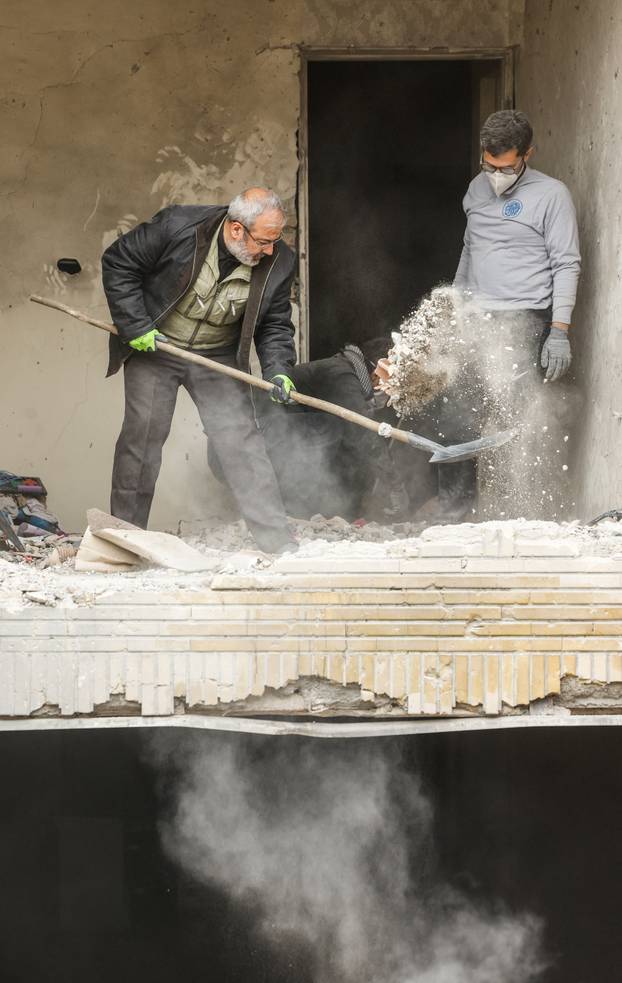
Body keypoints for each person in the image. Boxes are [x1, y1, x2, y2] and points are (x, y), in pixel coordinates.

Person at [101, 187, 298, 553]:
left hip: (217, 355)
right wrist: (135, 326)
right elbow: (118, 262)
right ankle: (125, 543)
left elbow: (275, 324)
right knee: (142, 440)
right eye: (264, 241)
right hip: (157, 346)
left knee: (241, 441)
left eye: (275, 241)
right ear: (237, 229)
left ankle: (277, 542)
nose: (270, 250)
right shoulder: (178, 226)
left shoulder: (280, 261)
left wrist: (278, 368)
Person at [429, 109, 581, 520]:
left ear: (528, 153)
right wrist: (454, 307)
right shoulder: (476, 190)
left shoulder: (552, 196)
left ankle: (524, 518)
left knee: (520, 422)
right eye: (489, 165)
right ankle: (454, 520)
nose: (496, 174)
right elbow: (469, 250)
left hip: (525, 322)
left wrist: (559, 330)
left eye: (506, 166)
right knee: (456, 417)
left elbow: (566, 264)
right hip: (476, 321)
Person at [250, 338, 411, 521]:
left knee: (342, 436)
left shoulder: (347, 372)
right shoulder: (341, 376)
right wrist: (395, 485)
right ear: (377, 371)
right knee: (338, 431)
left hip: (269, 445)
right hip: (254, 447)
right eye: (391, 383)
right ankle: (290, 511)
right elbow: (363, 434)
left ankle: (329, 512)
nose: (390, 391)